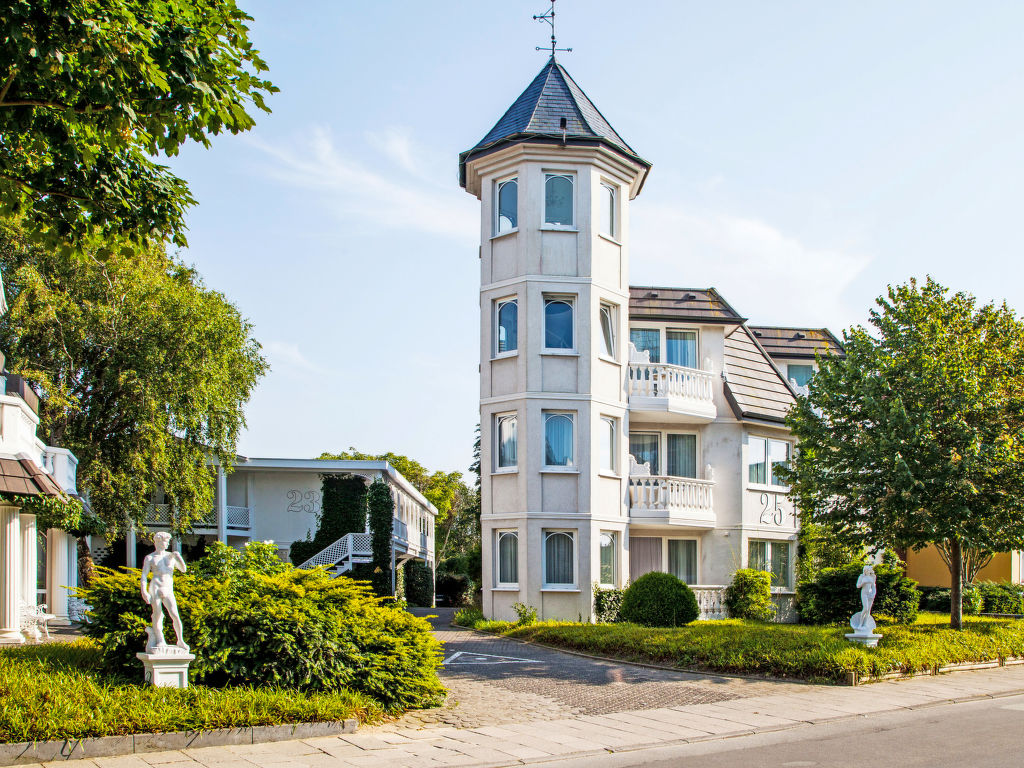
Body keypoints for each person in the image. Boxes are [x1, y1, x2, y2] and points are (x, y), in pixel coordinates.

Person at [140, 532, 188, 651]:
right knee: (157, 614)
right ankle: (160, 639)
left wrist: (179, 558)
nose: (166, 544)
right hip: (155, 587)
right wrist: (144, 591)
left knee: (175, 615)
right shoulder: (150, 557)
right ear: (157, 542)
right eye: (164, 541)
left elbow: (183, 569)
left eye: (167, 541)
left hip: (168, 588)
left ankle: (180, 640)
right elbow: (144, 576)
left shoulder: (171, 556)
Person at [850, 564, 877, 634]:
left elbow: (874, 587)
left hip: (870, 594)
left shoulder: (872, 577)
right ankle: (860, 624)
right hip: (864, 593)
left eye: (868, 570)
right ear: (865, 571)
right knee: (865, 608)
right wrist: (863, 583)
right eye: (866, 570)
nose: (868, 571)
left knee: (868, 611)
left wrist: (873, 594)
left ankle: (865, 625)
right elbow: (858, 586)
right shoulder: (862, 577)